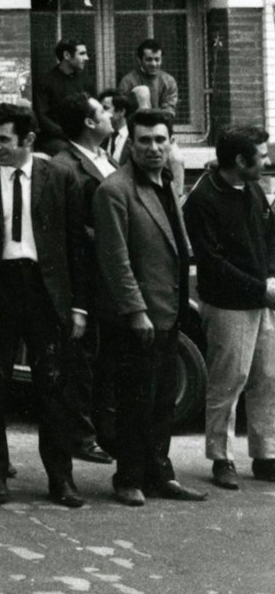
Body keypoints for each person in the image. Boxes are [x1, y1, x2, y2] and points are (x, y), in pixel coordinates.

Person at [0, 103, 87, 508]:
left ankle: (61, 479)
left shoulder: (61, 178)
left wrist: (79, 307)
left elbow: (77, 247)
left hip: (47, 293)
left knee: (54, 388)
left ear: (28, 140)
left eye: (4, 140)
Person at [92, 108, 205, 505]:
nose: (154, 148)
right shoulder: (114, 190)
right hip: (137, 317)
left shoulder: (167, 180)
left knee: (162, 400)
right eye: (144, 141)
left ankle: (161, 473)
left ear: (171, 142)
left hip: (168, 309)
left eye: (161, 140)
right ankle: (128, 478)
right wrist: (136, 311)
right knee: (134, 400)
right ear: (130, 144)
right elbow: (115, 260)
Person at [183, 123, 275, 489]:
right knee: (228, 381)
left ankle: (266, 454)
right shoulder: (202, 200)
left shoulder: (252, 188)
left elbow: (267, 239)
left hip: (260, 299)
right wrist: (260, 289)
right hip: (228, 305)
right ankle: (221, 457)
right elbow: (213, 263)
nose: (267, 161)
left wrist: (269, 279)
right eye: (262, 156)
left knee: (267, 377)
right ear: (240, 160)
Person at [52, 93, 120, 466]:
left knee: (104, 359)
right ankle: (81, 435)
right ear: (89, 124)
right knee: (82, 361)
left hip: (109, 276)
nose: (110, 116)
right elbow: (71, 229)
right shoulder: (66, 166)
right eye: (103, 111)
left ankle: (103, 431)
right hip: (87, 276)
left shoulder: (104, 158)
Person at [32, 39, 95, 155]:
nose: (87, 58)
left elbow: (92, 109)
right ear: (66, 55)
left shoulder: (86, 80)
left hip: (81, 136)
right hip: (54, 139)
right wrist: (67, 134)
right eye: (81, 54)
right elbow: (42, 117)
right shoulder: (45, 82)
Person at [118, 40, 179, 118]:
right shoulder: (128, 81)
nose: (153, 64)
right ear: (139, 60)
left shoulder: (169, 81)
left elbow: (169, 112)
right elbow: (122, 112)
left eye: (157, 59)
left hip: (161, 126)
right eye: (149, 59)